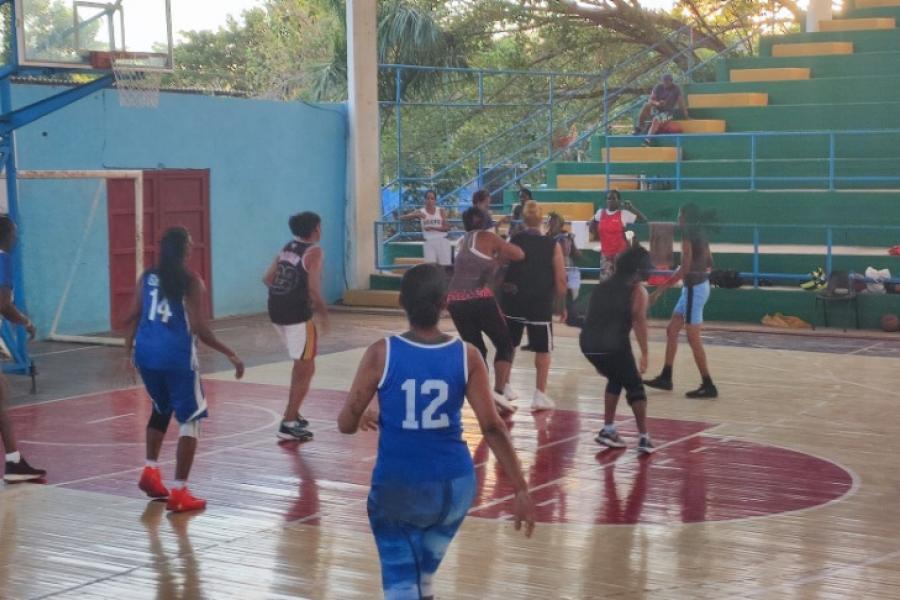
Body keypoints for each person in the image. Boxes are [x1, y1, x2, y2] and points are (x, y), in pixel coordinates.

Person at [338, 263, 535, 600]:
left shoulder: (381, 353)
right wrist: (520, 488)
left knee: (402, 585)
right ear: (445, 303)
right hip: (454, 488)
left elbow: (345, 424)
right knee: (422, 578)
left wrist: (360, 415)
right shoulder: (467, 355)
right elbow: (492, 427)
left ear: (401, 301)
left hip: (399, 487)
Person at [125, 227, 245, 512]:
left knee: (160, 407)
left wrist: (127, 351)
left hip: (145, 354)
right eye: (190, 243)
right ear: (185, 251)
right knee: (191, 419)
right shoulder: (191, 282)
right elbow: (201, 330)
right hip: (176, 357)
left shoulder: (147, 277)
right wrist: (231, 353)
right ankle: (179, 492)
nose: (193, 247)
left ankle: (150, 471)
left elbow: (132, 315)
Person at [447, 207, 524, 413]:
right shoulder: (488, 237)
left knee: (477, 351)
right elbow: (518, 254)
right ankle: (498, 394)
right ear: (484, 221)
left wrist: (495, 262)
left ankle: (482, 395)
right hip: (478, 298)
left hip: (455, 301)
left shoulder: (461, 241)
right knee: (505, 344)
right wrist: (501, 255)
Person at [580, 245, 654, 453]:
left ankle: (608, 429)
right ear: (638, 269)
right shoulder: (637, 290)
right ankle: (643, 437)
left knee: (616, 377)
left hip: (588, 344)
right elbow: (638, 320)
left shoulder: (603, 286)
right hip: (612, 344)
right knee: (635, 387)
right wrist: (645, 353)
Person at [264, 212, 330, 441]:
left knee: (300, 363)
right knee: (306, 368)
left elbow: (267, 278)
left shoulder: (288, 247)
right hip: (296, 314)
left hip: (275, 310)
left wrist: (285, 292)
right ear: (315, 230)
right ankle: (288, 423)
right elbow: (312, 287)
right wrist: (323, 313)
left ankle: (294, 409)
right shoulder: (315, 252)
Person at [644, 203, 718, 398]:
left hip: (694, 289)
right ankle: (666, 376)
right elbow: (710, 260)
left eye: (679, 215)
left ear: (685, 217)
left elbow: (684, 269)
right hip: (696, 287)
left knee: (693, 338)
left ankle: (708, 384)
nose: (678, 219)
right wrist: (700, 271)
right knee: (672, 329)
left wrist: (659, 290)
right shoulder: (701, 233)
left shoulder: (687, 236)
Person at [502, 201, 566, 411]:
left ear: (523, 218)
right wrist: (562, 304)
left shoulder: (515, 239)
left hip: (514, 299)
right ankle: (539, 394)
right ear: (542, 220)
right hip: (539, 301)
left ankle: (504, 386)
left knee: (509, 344)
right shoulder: (551, 244)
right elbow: (560, 278)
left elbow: (503, 265)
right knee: (543, 348)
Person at [0, 216, 45, 483]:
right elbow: (3, 304)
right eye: (14, 232)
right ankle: (14, 462)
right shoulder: (2, 258)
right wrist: (26, 322)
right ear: (5, 235)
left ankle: (14, 461)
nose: (17, 237)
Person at [591, 190, 646, 281]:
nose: (611, 201)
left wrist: (631, 208)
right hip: (605, 254)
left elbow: (643, 219)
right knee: (605, 282)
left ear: (619, 200)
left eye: (613, 198)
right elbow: (592, 225)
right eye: (608, 199)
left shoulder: (624, 214)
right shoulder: (600, 213)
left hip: (620, 254)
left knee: (620, 281)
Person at [547, 212, 584, 326]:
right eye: (549, 221)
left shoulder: (566, 237)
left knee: (570, 304)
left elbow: (578, 256)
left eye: (554, 222)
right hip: (550, 273)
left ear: (561, 225)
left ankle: (575, 319)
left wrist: (572, 242)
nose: (551, 224)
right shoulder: (545, 238)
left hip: (567, 273)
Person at [398, 190, 452, 267]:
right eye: (428, 198)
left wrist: (432, 227)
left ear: (435, 200)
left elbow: (447, 228)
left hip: (442, 240)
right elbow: (401, 218)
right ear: (424, 200)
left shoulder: (440, 210)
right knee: (430, 268)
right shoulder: (421, 211)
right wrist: (417, 215)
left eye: (432, 198)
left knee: (445, 267)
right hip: (429, 242)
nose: (430, 200)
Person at [635, 73, 689, 146]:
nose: (665, 83)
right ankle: (639, 127)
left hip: (668, 113)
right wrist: (658, 103)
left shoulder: (676, 89)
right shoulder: (658, 87)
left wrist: (686, 115)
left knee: (656, 119)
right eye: (664, 81)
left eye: (667, 81)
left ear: (671, 81)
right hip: (656, 109)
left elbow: (681, 103)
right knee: (646, 105)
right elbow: (650, 100)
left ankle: (647, 140)